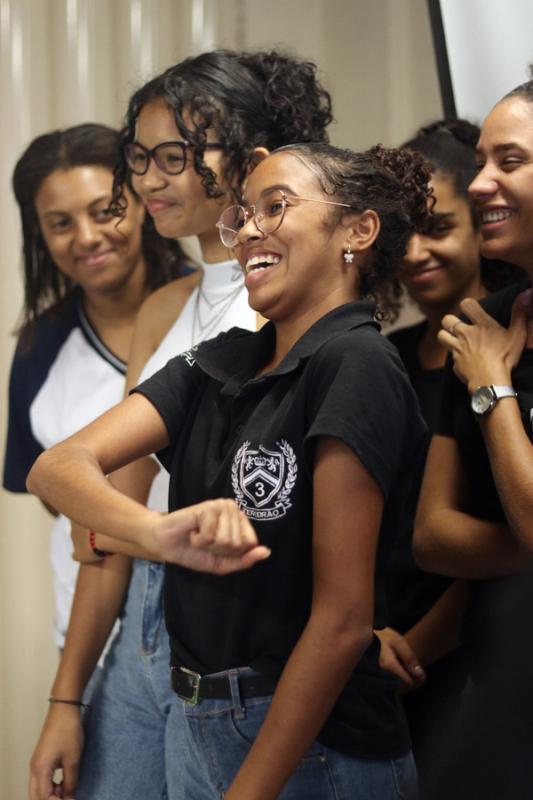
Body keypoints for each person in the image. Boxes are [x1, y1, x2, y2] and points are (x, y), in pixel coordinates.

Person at [27, 140, 432, 799]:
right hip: (198, 718)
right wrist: (155, 533)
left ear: (357, 231)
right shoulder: (225, 359)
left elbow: (340, 621)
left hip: (313, 745)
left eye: (275, 207)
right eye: (242, 216)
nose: (246, 232)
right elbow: (57, 467)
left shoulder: (355, 363)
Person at [28, 50, 333, 800]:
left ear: (249, 158)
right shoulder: (163, 308)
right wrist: (66, 700)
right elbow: (103, 522)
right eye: (139, 158)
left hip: (245, 624)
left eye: (176, 157)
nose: (149, 181)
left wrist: (117, 528)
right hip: (140, 617)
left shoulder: (285, 305)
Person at [2, 123, 187, 651]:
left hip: (199, 636)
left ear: (142, 203)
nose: (85, 237)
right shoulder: (39, 344)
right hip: (87, 638)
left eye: (105, 211)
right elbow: (47, 486)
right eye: (60, 224)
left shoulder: (213, 307)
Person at [377, 120, 521, 793]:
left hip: (468, 658)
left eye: (437, 228)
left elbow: (491, 532)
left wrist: (417, 647)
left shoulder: (498, 346)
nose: (414, 252)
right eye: (401, 232)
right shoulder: (385, 356)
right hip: (376, 654)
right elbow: (419, 533)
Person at [413, 79, 533, 799]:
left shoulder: (482, 353)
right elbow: (432, 535)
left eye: (508, 161)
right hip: (498, 682)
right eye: (481, 161)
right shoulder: (483, 321)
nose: (481, 181)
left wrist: (492, 390)